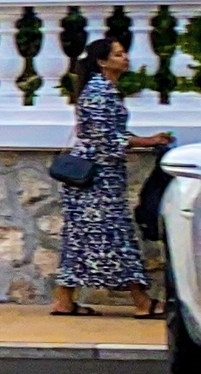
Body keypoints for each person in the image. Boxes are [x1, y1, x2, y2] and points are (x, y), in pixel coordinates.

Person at [51, 38, 172, 318]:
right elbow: (106, 139)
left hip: (96, 179)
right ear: (102, 62)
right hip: (97, 181)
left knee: (81, 238)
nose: (125, 58)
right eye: (118, 54)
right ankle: (141, 302)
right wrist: (146, 141)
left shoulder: (103, 90)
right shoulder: (99, 93)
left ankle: (64, 300)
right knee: (116, 237)